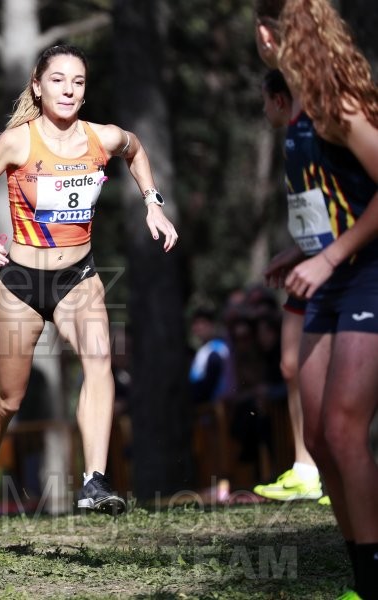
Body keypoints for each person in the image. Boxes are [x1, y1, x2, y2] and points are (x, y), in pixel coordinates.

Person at [0, 44, 178, 545]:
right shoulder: (17, 142)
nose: (69, 89)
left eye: (77, 81)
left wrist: (152, 203)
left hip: (78, 279)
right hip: (21, 286)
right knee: (7, 399)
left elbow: (136, 148)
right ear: (38, 85)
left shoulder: (102, 138)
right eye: (58, 80)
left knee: (99, 361)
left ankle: (94, 479)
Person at [255, 2, 378, 598]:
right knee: (324, 439)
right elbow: (336, 202)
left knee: (344, 428)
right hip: (329, 278)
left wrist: (331, 256)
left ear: (266, 36)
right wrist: (302, 251)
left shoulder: (338, 104)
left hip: (367, 277)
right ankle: (361, 571)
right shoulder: (297, 111)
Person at [253, 69, 324, 504]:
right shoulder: (292, 138)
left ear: (280, 99)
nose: (263, 110)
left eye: (265, 99)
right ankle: (305, 469)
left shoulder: (321, 131)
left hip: (337, 267)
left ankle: (339, 466)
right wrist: (296, 251)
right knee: (291, 366)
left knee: (328, 372)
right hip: (307, 261)